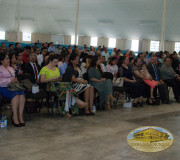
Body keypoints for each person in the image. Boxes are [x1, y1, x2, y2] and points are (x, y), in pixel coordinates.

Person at [0, 53, 25, 127]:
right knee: (15, 94)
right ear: (1, 61)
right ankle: (15, 117)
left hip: (13, 87)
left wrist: (15, 80)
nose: (9, 60)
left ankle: (20, 116)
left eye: (8, 58)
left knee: (21, 93)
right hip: (3, 87)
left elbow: (13, 78)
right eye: (6, 59)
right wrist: (10, 80)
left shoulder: (10, 68)